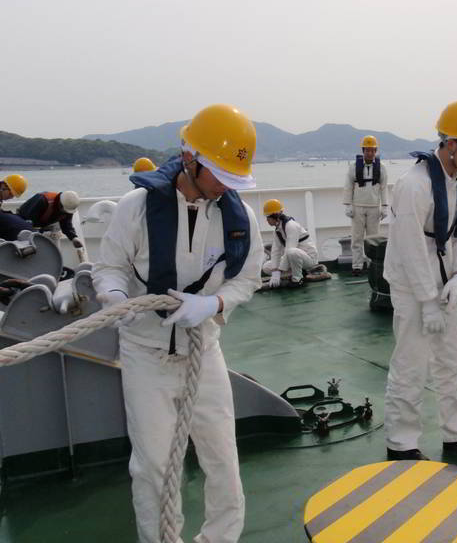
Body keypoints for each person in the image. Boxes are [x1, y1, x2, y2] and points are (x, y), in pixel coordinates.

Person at [91, 103, 264, 543]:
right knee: (153, 465)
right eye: (219, 174)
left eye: (233, 177)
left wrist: (214, 304)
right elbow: (109, 267)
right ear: (190, 158)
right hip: (144, 353)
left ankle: (221, 537)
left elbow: (248, 278)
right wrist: (115, 298)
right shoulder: (136, 208)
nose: (226, 185)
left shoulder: (238, 217)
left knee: (222, 455)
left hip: (204, 350)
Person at [383, 100, 457, 461]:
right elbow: (409, 247)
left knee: (455, 358)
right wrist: (426, 301)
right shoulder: (414, 185)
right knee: (411, 363)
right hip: (410, 285)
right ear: (451, 144)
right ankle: (401, 443)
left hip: (444, 280)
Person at [343, 135, 388, 276]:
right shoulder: (353, 167)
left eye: (372, 150)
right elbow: (348, 186)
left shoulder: (381, 167)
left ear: (376, 151)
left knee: (373, 239)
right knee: (356, 238)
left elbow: (384, 187)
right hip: (358, 207)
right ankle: (357, 266)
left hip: (374, 207)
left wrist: (384, 206)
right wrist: (348, 205)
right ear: (363, 150)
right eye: (367, 150)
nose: (370, 153)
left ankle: (372, 265)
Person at [263, 198, 318, 288]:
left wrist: (279, 270)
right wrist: (274, 271)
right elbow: (276, 251)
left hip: (308, 259)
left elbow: (289, 249)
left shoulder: (291, 226)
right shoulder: (277, 230)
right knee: (266, 267)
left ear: (275, 216)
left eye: (268, 217)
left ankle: (297, 279)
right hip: (294, 259)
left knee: (291, 251)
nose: (267, 220)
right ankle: (296, 273)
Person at [17, 190, 84, 249]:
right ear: (60, 204)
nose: (65, 213)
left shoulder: (68, 208)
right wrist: (36, 234)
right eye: (64, 211)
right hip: (25, 221)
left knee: (55, 231)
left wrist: (74, 238)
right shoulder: (42, 200)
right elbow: (27, 219)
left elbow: (66, 225)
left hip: (44, 223)